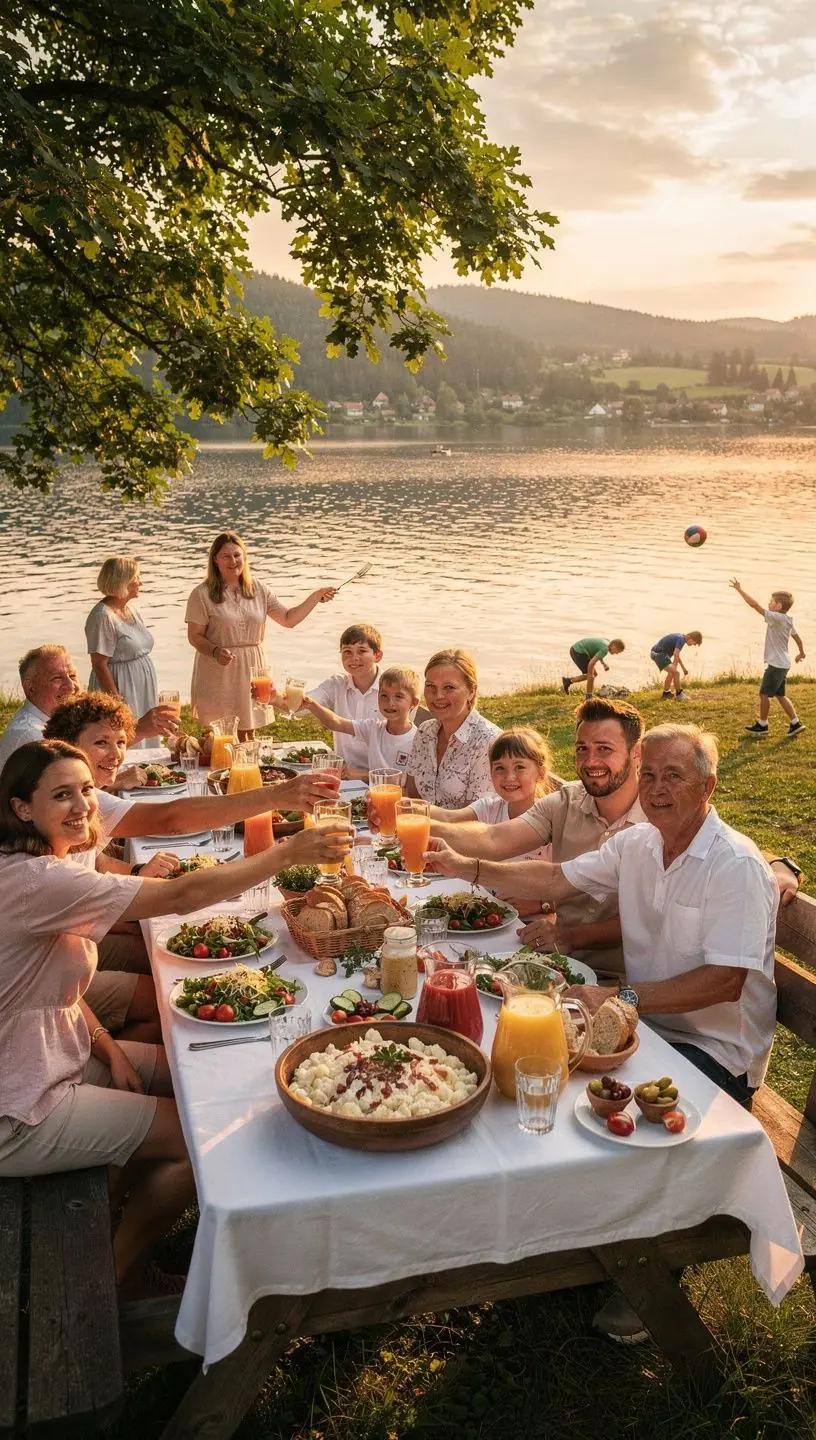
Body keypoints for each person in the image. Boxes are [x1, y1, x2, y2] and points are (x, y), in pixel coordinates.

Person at [426, 722, 780, 1345]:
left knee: (569, 1097)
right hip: (639, 1029)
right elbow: (557, 880)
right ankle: (558, 1234)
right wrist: (466, 866)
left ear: (709, 786)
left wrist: (623, 997)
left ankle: (650, 1268)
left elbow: (726, 983)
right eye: (650, 775)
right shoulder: (641, 842)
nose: (657, 788)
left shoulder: (735, 865)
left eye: (675, 776)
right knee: (524, 1070)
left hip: (712, 1052)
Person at [0, 740, 353, 1298]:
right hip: (18, 1106)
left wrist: (108, 1047)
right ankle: (119, 1283)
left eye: (87, 790)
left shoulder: (55, 859)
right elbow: (182, 894)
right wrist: (288, 853)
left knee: (188, 1074)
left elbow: (45, 988)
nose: (83, 805)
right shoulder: (36, 881)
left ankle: (112, 1208)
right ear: (22, 808)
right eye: (61, 795)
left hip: (51, 1053)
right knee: (200, 1142)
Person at [429, 697, 800, 973]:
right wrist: (422, 831)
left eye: (604, 749)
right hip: (569, 966)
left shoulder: (659, 814)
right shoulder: (578, 805)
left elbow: (721, 844)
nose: (591, 761)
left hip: (625, 982)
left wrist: (778, 863)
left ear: (634, 754)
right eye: (582, 749)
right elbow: (506, 847)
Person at [43, 690, 342, 854]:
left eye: (122, 742)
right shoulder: (83, 801)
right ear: (68, 745)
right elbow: (171, 819)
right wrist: (278, 795)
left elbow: (94, 861)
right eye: (100, 743)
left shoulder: (82, 790)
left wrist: (136, 870)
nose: (117, 754)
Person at [186, 531, 337, 739]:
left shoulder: (258, 589)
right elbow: (195, 636)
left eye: (237, 555)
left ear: (244, 557)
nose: (233, 561)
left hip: (252, 667)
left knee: (248, 733)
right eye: (226, 556)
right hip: (218, 667)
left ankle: (247, 769)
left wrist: (315, 596)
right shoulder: (201, 594)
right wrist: (215, 650)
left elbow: (288, 619)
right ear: (215, 559)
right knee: (219, 734)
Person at [0, 645, 176, 772]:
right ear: (30, 688)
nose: (71, 686)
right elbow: (73, 777)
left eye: (72, 675)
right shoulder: (30, 735)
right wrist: (139, 730)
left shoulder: (51, 720)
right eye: (57, 678)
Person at [429, 727, 563, 866]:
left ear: (541, 773)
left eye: (519, 767)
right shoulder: (489, 808)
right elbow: (448, 817)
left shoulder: (552, 823)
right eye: (500, 768)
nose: (509, 777)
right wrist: (410, 808)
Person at [404, 649, 500, 809]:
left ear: (471, 691)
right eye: (430, 686)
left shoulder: (488, 741)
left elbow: (478, 818)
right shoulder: (424, 732)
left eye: (449, 687)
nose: (438, 695)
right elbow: (412, 795)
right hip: (422, 830)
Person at [85, 558, 159, 745]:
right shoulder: (102, 616)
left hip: (140, 686)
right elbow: (99, 664)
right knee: (124, 734)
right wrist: (116, 702)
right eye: (136, 577)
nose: (140, 582)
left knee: (146, 730)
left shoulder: (130, 610)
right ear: (122, 581)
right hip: (122, 685)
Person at [301, 664, 419, 779]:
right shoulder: (373, 728)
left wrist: (364, 775)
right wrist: (311, 705)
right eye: (384, 695)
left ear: (414, 703)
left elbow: (408, 786)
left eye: (398, 697)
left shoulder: (418, 740)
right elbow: (336, 722)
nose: (390, 702)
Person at [730, 579, 806, 737]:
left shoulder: (776, 617)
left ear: (778, 606)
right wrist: (801, 652)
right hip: (784, 663)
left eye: (772, 602)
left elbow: (755, 606)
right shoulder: (788, 620)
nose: (769, 604)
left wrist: (739, 590)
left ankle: (762, 725)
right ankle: (795, 723)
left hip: (776, 664)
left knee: (764, 694)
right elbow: (797, 637)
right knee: (780, 695)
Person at [307, 623, 384, 773]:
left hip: (380, 777)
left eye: (362, 651)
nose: (354, 658)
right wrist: (276, 698)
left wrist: (363, 775)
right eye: (347, 652)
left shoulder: (391, 689)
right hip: (343, 773)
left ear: (377, 655)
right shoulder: (337, 683)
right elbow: (301, 705)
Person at [650, 630, 702, 701]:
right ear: (692, 638)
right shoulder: (681, 640)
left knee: (672, 673)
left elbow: (677, 655)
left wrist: (683, 668)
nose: (692, 645)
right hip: (658, 654)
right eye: (694, 643)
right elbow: (676, 654)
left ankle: (666, 694)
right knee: (676, 673)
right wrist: (675, 667)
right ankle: (679, 695)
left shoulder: (680, 637)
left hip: (658, 654)